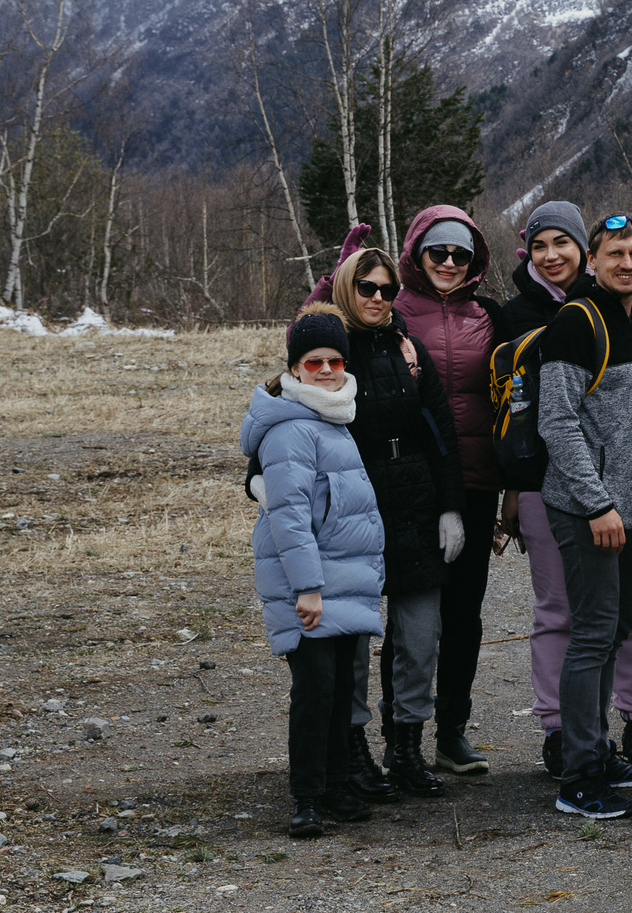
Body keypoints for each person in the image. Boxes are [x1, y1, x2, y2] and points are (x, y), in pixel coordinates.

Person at [502, 202, 632, 784]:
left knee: (613, 630)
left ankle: (597, 751)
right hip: (587, 508)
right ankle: (580, 771)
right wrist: (597, 504)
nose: (626, 263)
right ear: (592, 261)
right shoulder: (577, 321)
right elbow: (558, 422)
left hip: (629, 510)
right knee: (591, 634)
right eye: (615, 254)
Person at [325, 253, 465, 801]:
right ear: (347, 287)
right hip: (352, 505)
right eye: (367, 287)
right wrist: (261, 477)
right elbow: (285, 415)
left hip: (414, 501)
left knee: (420, 636)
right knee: (354, 638)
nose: (379, 298)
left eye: (387, 289)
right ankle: (352, 748)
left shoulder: (410, 349)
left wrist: (451, 507)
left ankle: (407, 746)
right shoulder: (328, 349)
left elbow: (441, 431)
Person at [243, 311, 387, 837]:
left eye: (335, 360)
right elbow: (290, 518)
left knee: (339, 688)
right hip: (310, 586)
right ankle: (306, 798)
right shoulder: (291, 430)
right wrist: (307, 588)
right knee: (315, 690)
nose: (326, 370)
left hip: (341, 582)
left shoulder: (334, 419)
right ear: (294, 370)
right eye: (313, 362)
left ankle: (335, 787)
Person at [393, 207, 500, 780]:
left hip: (477, 481)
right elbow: (311, 339)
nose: (450, 263)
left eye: (462, 254)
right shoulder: (389, 311)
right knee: (412, 613)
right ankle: (400, 734)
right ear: (417, 252)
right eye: (439, 251)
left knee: (464, 612)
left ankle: (451, 731)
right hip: (413, 484)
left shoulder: (489, 316)